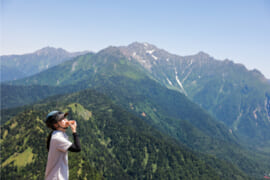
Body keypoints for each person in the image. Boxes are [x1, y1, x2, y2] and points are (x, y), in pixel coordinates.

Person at [45, 111, 81, 180]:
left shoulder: (58, 134)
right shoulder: (57, 138)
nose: (66, 120)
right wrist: (74, 131)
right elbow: (77, 148)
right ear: (55, 125)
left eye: (65, 118)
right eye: (62, 119)